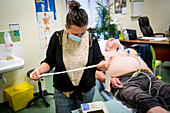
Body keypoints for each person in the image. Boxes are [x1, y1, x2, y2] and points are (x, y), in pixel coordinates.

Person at [29, 1, 111, 113]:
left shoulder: (92, 39)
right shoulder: (57, 38)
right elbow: (49, 62)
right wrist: (39, 70)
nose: (80, 37)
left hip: (86, 92)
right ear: (67, 27)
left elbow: (99, 60)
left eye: (83, 33)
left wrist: (104, 65)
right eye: (76, 34)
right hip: (63, 93)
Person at [95, 38, 170, 113]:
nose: (111, 39)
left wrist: (154, 78)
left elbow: (144, 64)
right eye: (108, 40)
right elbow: (97, 74)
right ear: (106, 47)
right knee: (144, 100)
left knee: (167, 91)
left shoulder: (131, 50)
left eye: (113, 39)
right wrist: (110, 81)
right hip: (125, 82)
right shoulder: (103, 55)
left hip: (147, 76)